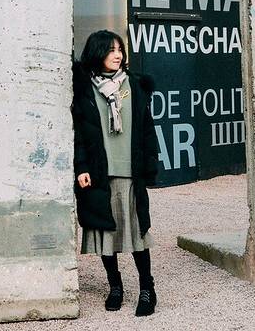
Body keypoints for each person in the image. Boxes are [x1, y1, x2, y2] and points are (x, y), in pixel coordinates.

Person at [72, 29, 159, 316]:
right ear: (97, 52)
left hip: (130, 172)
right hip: (100, 173)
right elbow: (79, 134)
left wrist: (150, 165)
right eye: (111, 50)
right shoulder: (85, 89)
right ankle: (115, 286)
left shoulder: (135, 85)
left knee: (137, 233)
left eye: (119, 49)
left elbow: (147, 129)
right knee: (106, 235)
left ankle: (147, 288)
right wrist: (81, 167)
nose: (117, 55)